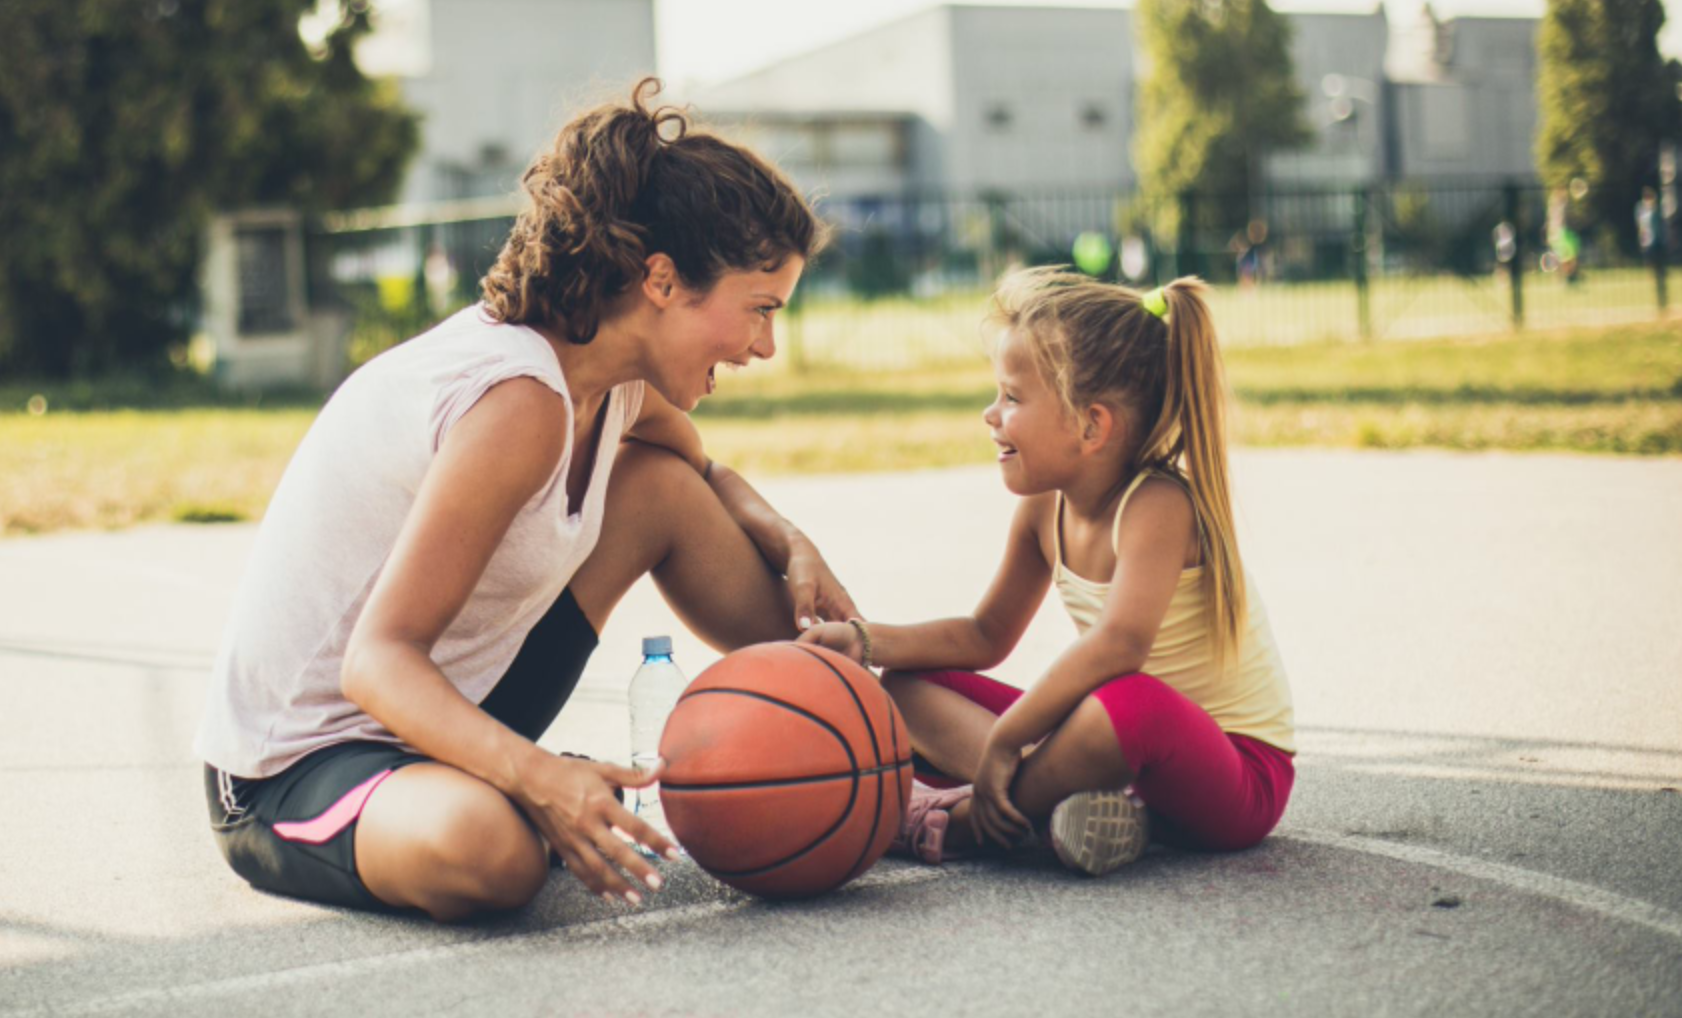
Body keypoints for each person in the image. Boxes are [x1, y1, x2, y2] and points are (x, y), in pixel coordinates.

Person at [195, 78, 857, 921]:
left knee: (660, 488)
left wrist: (789, 537)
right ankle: (528, 794)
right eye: (759, 310)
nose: (765, 345)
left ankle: (853, 736)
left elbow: (702, 470)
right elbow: (376, 661)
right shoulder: (517, 399)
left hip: (449, 714)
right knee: (489, 855)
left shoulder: (610, 377)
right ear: (660, 280)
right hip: (301, 764)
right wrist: (540, 779)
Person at [801, 269, 1295, 875]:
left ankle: (961, 826)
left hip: (1235, 773)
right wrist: (866, 639)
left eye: (1012, 397)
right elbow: (985, 634)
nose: (990, 414)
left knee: (1131, 703)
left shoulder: (1159, 506)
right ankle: (1063, 804)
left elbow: (1120, 645)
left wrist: (1007, 742)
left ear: (1091, 426)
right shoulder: (1044, 508)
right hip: (1114, 757)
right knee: (907, 683)